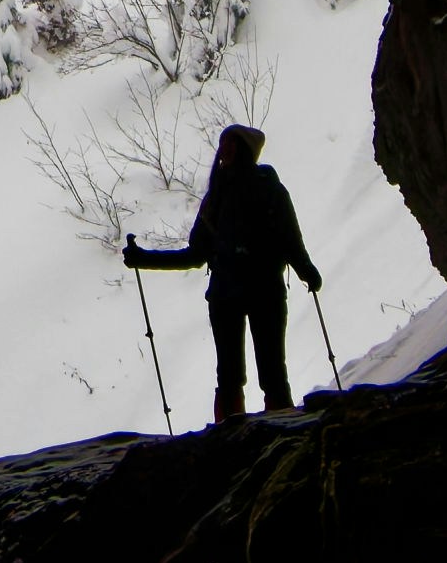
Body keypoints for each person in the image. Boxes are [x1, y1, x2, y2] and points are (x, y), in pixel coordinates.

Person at [128, 123, 320, 424]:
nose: (225, 151)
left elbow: (194, 256)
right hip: (263, 291)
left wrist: (143, 259)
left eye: (230, 144)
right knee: (268, 371)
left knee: (236, 375)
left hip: (228, 294)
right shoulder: (264, 190)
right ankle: (285, 429)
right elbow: (290, 241)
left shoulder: (220, 196)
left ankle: (230, 438)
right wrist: (306, 271)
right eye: (224, 144)